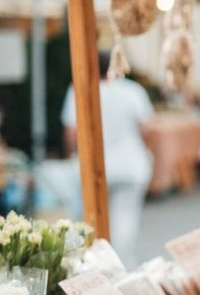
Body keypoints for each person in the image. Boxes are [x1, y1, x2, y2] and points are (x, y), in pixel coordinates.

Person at [59, 51, 154, 266]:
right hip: (130, 165)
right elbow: (147, 129)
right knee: (125, 221)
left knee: (90, 223)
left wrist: (71, 156)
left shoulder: (79, 90)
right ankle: (121, 267)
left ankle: (92, 268)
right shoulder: (132, 91)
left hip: (91, 167)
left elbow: (71, 133)